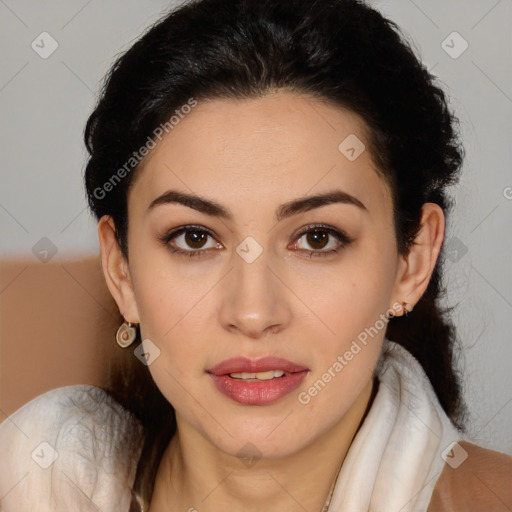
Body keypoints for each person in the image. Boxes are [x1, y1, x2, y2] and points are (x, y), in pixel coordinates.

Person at [1, 0, 511, 510]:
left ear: (412, 259)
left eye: (317, 238)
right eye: (195, 238)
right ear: (121, 270)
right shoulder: (36, 481)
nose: (253, 313)